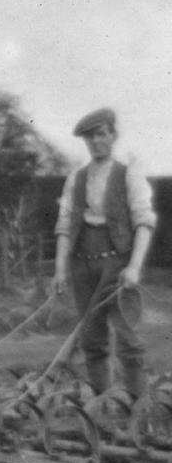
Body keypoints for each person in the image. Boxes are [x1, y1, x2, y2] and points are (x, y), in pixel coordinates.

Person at [53, 107, 157, 398]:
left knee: (128, 340)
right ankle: (103, 408)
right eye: (90, 138)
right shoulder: (76, 178)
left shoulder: (129, 175)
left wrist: (134, 266)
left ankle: (141, 412)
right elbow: (64, 226)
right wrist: (60, 270)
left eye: (101, 135)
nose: (96, 142)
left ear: (113, 136)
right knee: (92, 340)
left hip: (118, 265)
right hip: (82, 267)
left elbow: (144, 223)